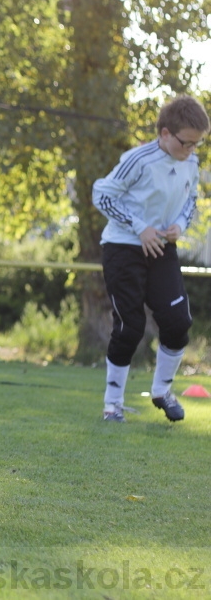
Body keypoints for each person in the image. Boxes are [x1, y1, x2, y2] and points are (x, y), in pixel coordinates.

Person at [93, 95, 209, 423]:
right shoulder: (138, 159)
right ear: (165, 134)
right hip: (123, 248)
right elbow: (101, 194)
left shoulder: (191, 161)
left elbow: (192, 200)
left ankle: (162, 391)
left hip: (161, 248)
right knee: (131, 327)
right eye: (186, 142)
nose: (191, 150)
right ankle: (112, 404)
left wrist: (180, 225)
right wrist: (139, 227)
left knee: (178, 324)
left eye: (197, 143)